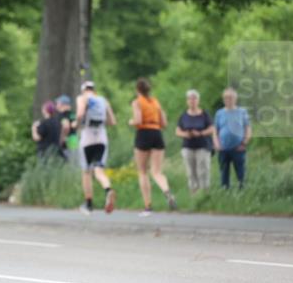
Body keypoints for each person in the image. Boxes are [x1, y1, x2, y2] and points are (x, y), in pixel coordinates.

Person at [128, 78, 176, 215]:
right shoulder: (155, 102)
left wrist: (131, 122)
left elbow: (138, 120)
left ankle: (148, 206)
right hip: (157, 133)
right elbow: (164, 123)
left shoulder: (137, 102)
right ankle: (167, 192)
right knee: (157, 172)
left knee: (143, 172)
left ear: (137, 89)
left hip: (143, 134)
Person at [74, 81, 117, 215]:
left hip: (87, 139)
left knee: (86, 172)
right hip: (101, 139)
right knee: (99, 171)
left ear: (83, 90)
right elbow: (112, 121)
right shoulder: (103, 100)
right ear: (94, 90)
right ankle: (108, 189)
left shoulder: (82, 98)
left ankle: (89, 204)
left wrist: (76, 124)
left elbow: (80, 114)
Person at [175, 89, 215, 193]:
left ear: (198, 100)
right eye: (190, 99)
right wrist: (185, 134)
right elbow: (178, 131)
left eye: (194, 98)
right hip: (188, 147)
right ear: (187, 101)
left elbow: (212, 129)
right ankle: (194, 193)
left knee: (203, 170)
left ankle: (205, 193)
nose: (192, 101)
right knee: (191, 172)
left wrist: (200, 133)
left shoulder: (205, 114)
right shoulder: (183, 116)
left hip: (203, 146)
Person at [214, 87, 251, 189]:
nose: (228, 100)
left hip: (238, 148)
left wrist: (244, 142)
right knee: (224, 172)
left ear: (235, 99)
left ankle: (242, 190)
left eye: (231, 97)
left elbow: (248, 128)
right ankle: (224, 191)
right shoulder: (219, 113)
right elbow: (215, 131)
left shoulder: (242, 112)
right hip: (223, 148)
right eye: (226, 97)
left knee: (241, 172)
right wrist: (217, 144)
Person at [55, 95, 77, 160]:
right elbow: (75, 125)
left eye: (57, 103)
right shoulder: (73, 114)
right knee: (74, 161)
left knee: (66, 162)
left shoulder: (62, 115)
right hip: (74, 140)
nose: (56, 105)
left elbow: (66, 126)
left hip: (65, 143)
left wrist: (63, 138)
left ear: (62, 104)